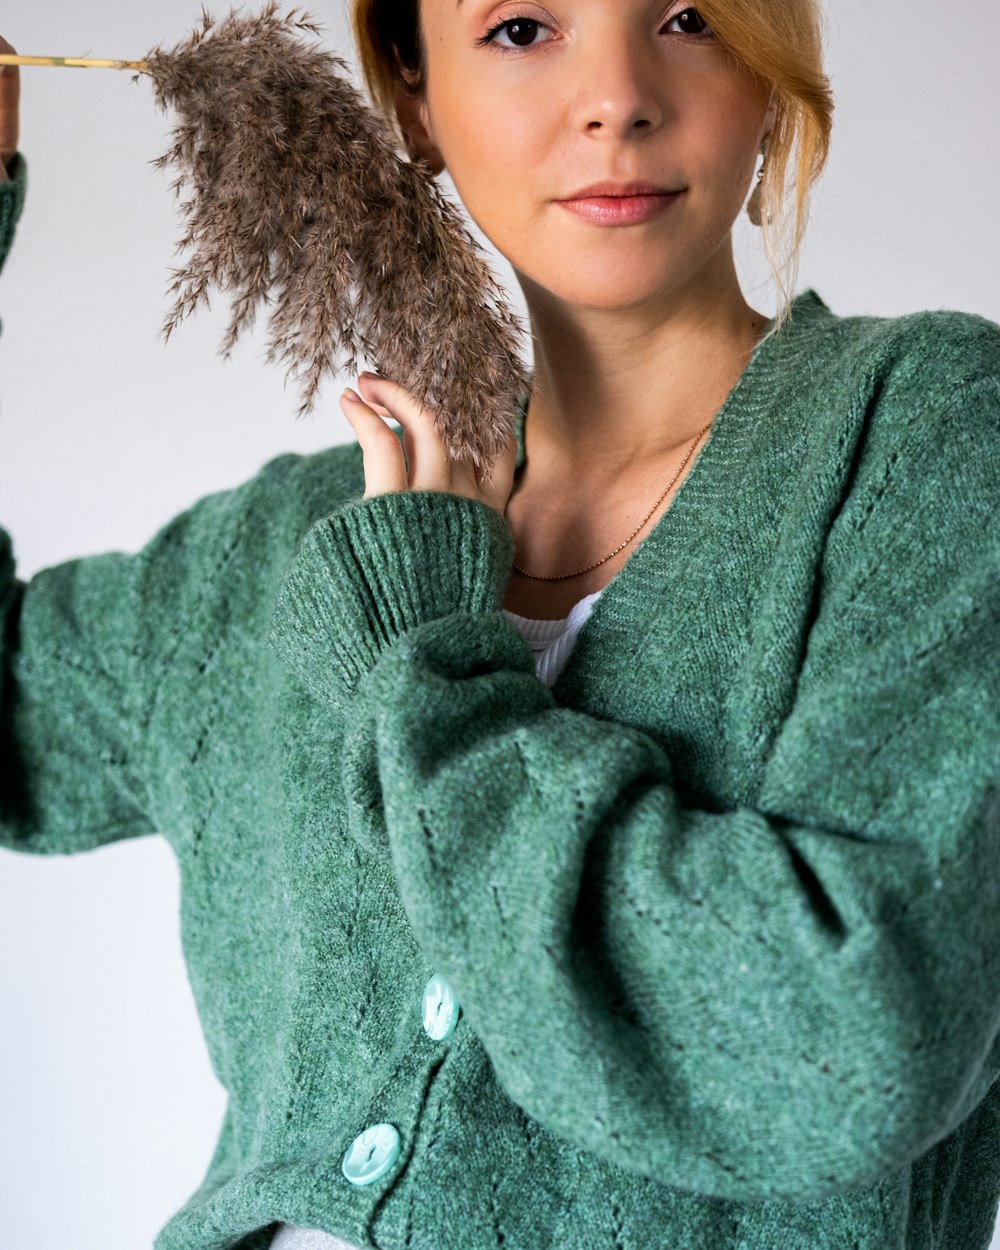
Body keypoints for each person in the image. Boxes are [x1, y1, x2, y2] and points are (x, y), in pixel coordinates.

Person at [2, 2, 999, 1248]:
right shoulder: (281, 547)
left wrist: (430, 662)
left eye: (689, 16)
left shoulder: (929, 438)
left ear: (770, 74)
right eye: (522, 26)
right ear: (415, 102)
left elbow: (855, 1040)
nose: (617, 95)